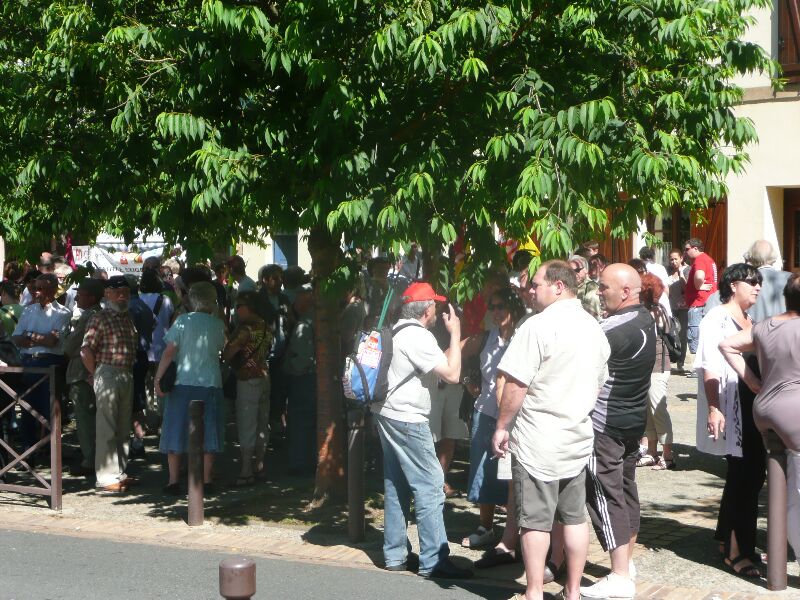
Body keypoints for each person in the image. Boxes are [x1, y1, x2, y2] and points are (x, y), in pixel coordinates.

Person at [492, 261, 610, 600]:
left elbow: (515, 384)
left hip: (538, 438)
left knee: (534, 521)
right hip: (577, 436)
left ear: (559, 286)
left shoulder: (537, 326)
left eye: (537, 284)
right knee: (574, 518)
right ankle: (572, 591)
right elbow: (599, 383)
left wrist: (501, 426)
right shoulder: (593, 327)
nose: (531, 290)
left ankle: (533, 592)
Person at [373, 282, 471, 579]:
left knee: (396, 484)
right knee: (430, 486)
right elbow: (453, 374)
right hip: (408, 419)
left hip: (385, 414)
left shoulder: (394, 329)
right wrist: (455, 334)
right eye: (436, 306)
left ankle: (395, 554)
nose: (439, 310)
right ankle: (434, 560)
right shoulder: (419, 336)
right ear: (427, 310)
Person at [581, 264, 656, 600]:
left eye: (604, 287)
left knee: (605, 496)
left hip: (606, 425)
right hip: (631, 421)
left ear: (625, 291)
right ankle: (625, 563)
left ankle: (620, 576)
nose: (599, 291)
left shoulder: (613, 329)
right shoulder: (645, 319)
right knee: (624, 492)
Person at [720, 272, 800, 570]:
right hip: (789, 414)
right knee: (790, 490)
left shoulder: (764, 324)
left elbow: (727, 346)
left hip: (762, 410)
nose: (756, 288)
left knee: (769, 481)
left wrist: (754, 381)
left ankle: (773, 552)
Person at [694, 263, 763, 577]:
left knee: (745, 475)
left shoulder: (749, 319)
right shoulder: (716, 317)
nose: (758, 287)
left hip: (751, 404)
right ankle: (737, 552)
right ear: (733, 284)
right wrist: (713, 407)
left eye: (759, 282)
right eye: (752, 281)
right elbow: (709, 365)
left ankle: (727, 540)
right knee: (744, 476)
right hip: (731, 405)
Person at [459, 286, 526, 549]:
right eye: (493, 307)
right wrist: (466, 380)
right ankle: (485, 527)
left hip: (517, 415)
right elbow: (455, 354)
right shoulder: (487, 337)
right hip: (486, 411)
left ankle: (515, 531)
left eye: (502, 307)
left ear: (515, 309)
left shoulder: (524, 336)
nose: (496, 312)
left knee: (514, 474)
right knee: (483, 469)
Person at [155, 282, 226, 495]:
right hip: (211, 381)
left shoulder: (183, 321)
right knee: (209, 431)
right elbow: (222, 347)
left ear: (192, 299)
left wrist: (158, 378)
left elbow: (170, 350)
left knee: (175, 429)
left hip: (182, 381)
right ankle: (206, 480)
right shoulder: (217, 325)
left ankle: (173, 481)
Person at [80, 276, 139, 493]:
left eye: (126, 291)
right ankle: (105, 477)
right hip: (108, 373)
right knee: (107, 426)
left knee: (123, 427)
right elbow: (85, 350)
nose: (123, 295)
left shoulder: (127, 318)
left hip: (126, 373)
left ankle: (119, 472)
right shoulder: (100, 318)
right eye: (118, 292)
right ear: (107, 294)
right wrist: (96, 373)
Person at [12, 274, 71, 452]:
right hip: (28, 362)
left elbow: (52, 342)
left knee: (50, 410)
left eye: (41, 289)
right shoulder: (28, 310)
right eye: (34, 288)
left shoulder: (63, 312)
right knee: (27, 410)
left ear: (53, 290)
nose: (36, 292)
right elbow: (16, 338)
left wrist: (28, 335)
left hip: (50, 363)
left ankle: (51, 452)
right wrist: (39, 338)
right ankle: (28, 450)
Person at [223, 290, 272, 485]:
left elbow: (228, 353)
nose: (236, 310)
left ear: (248, 307)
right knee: (262, 423)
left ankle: (245, 471)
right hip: (265, 376)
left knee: (247, 424)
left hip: (247, 379)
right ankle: (259, 465)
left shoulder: (245, 329)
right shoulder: (266, 325)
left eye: (238, 306)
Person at [63, 278, 105, 477]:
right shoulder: (100, 313)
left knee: (86, 420)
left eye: (81, 294)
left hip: (83, 373)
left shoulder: (91, 315)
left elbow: (71, 347)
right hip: (92, 372)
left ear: (92, 297)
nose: (77, 296)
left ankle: (90, 461)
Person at [635, 274, 675, 471]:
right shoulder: (644, 310)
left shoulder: (657, 311)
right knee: (647, 411)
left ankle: (667, 454)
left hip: (658, 366)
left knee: (658, 408)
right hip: (644, 367)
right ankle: (651, 452)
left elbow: (665, 331)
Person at [283, 286, 317, 474]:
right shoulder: (317, 319)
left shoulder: (305, 323)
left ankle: (300, 463)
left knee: (300, 421)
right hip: (314, 378)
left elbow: (301, 358)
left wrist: (294, 372)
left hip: (305, 379)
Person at [139, 268, 175, 427]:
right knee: (161, 385)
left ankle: (149, 420)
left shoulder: (138, 300)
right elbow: (170, 320)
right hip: (162, 348)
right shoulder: (166, 300)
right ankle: (163, 420)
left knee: (146, 387)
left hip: (144, 349)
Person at [684, 237, 718, 355]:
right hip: (707, 303)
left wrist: (699, 286)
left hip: (699, 303)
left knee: (695, 336)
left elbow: (699, 276)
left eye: (687, 249)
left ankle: (696, 370)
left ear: (695, 248)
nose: (685, 252)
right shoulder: (708, 259)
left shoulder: (700, 260)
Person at [744, 239, 791, 324]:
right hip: (787, 332)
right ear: (773, 256)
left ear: (751, 257)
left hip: (754, 333)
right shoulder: (791, 278)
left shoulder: (745, 281)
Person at [667, 249, 690, 372]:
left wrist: (681, 276)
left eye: (676, 259)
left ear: (681, 258)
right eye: (671, 259)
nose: (673, 261)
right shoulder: (668, 272)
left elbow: (689, 288)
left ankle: (680, 362)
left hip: (683, 308)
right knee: (671, 333)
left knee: (682, 334)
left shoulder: (687, 270)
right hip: (671, 306)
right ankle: (673, 358)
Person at [568, 255, 601, 319]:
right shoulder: (566, 287)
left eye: (577, 270)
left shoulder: (592, 289)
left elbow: (596, 318)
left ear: (586, 270)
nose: (574, 274)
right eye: (570, 271)